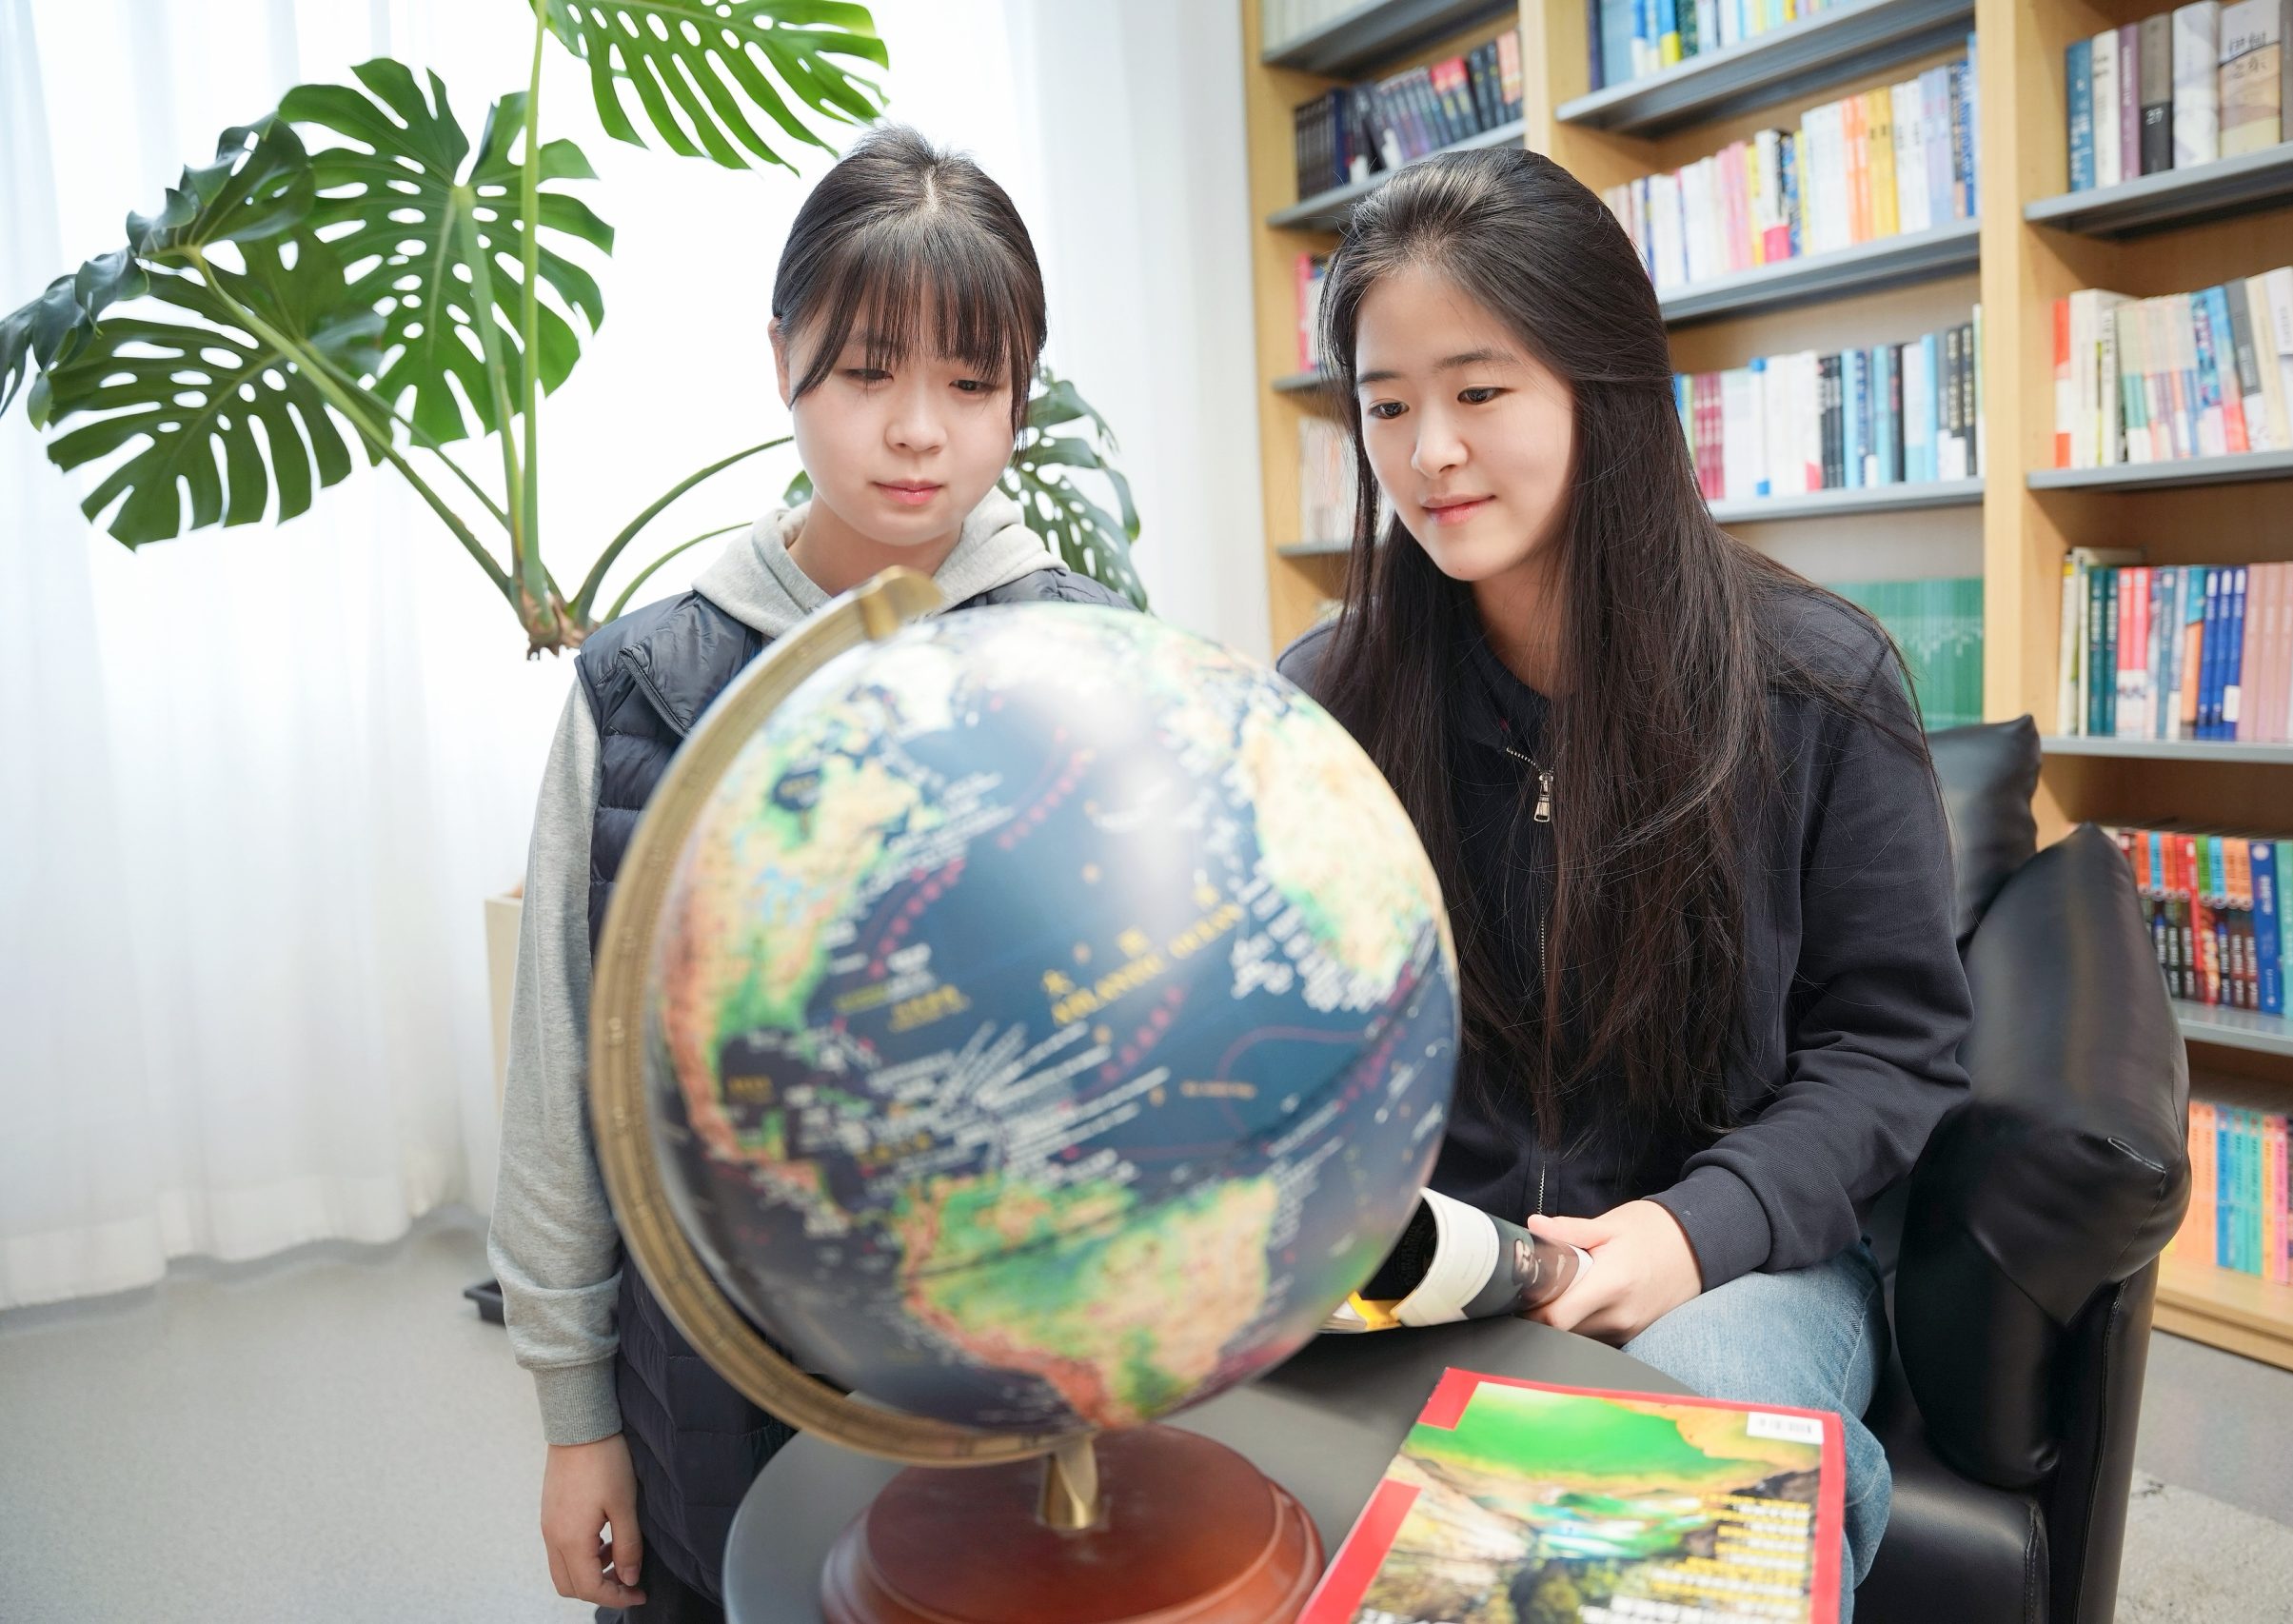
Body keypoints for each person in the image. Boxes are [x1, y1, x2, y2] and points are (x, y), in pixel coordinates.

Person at [1277, 147, 1972, 1620]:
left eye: (1480, 391)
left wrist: (1690, 1227)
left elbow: (1893, 1047)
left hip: (1736, 1262)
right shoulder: (1325, 701)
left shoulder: (1818, 682)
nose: (1429, 452)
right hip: (1426, 1255)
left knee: (1667, 1442)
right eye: (1387, 405)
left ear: (1607, 388)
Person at [485, 126, 1132, 1622]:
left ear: (1020, 394)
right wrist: (575, 1417)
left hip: (1008, 1371)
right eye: (866, 372)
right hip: (706, 1379)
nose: (917, 431)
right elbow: (561, 1073)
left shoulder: (1093, 661)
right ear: (781, 358)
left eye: (970, 384)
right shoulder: (640, 688)